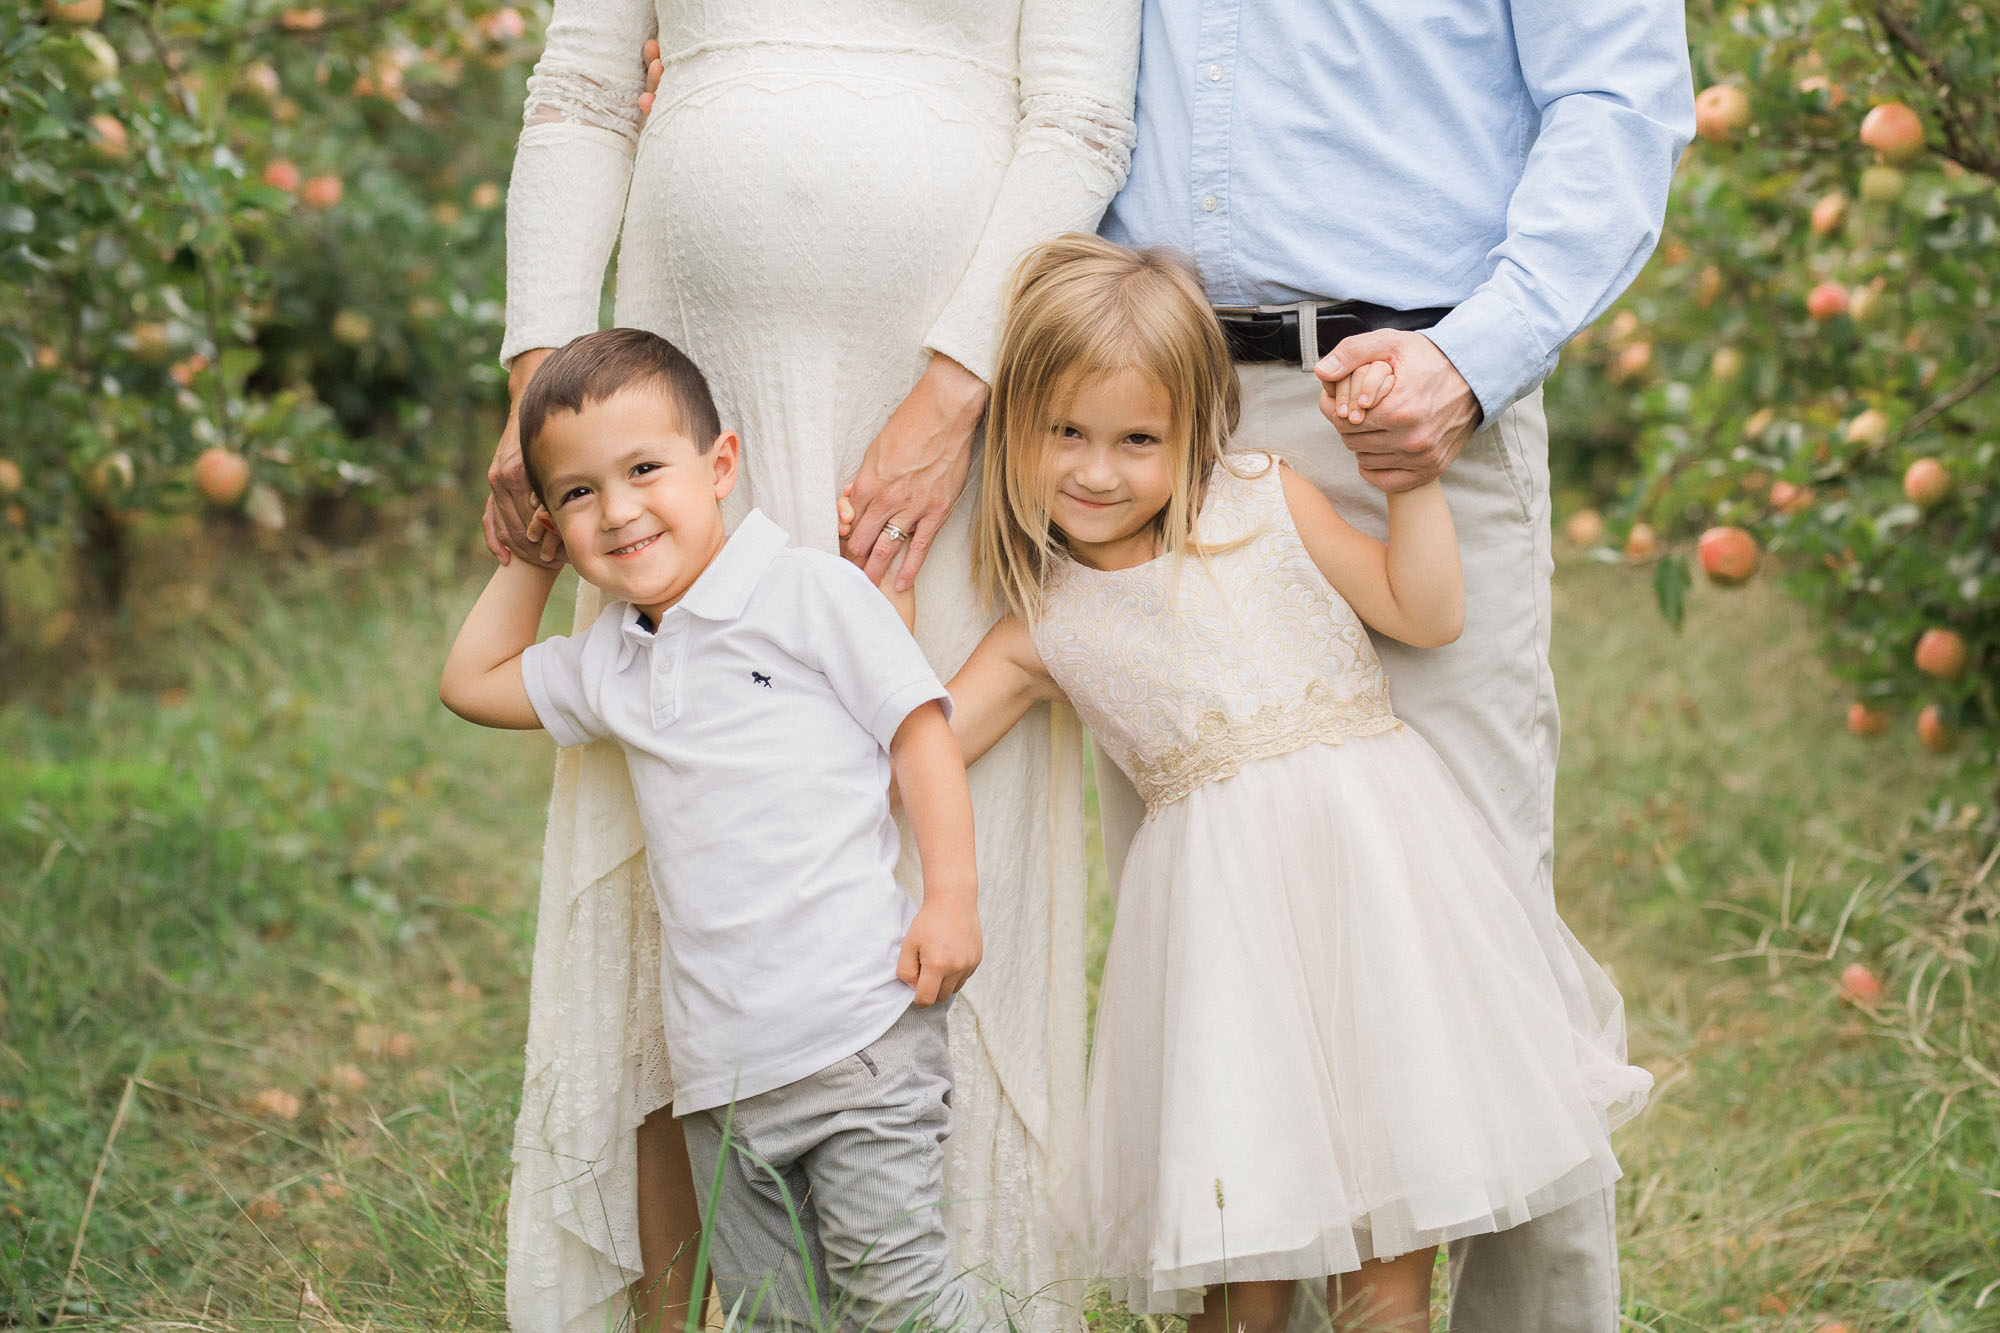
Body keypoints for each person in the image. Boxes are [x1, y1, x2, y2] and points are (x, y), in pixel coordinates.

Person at [847, 235, 1652, 1331]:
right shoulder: (1043, 622)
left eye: (1136, 439)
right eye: (1064, 434)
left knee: (1385, 1259)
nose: (1095, 468)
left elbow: (1422, 614)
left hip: (1371, 898)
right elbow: (922, 750)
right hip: (1218, 953)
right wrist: (884, 642)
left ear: (1194, 431)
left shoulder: (1262, 500)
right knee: (1240, 1259)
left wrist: (1406, 486)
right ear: (1015, 430)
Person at [490, 6, 1139, 1330]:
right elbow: (579, 89)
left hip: (940, 380)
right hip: (690, 371)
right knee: (676, 830)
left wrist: (953, 395)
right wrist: (539, 374)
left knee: (931, 810)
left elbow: (1078, 118)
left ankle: (967, 1297)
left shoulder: (952, 404)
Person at [1092, 3, 1696, 1324]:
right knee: (1216, 933)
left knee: (1476, 941)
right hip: (1144, 417)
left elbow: (1618, 101)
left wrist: (1469, 360)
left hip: (1410, 396)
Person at [443, 329, 996, 1333]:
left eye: (644, 469)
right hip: (721, 1081)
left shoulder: (804, 591)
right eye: (575, 493)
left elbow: (920, 729)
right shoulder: (609, 657)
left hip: (859, 1033)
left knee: (904, 1303)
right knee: (774, 1319)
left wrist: (951, 896)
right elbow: (470, 683)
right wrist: (528, 551)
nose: (615, 511)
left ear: (720, 465)